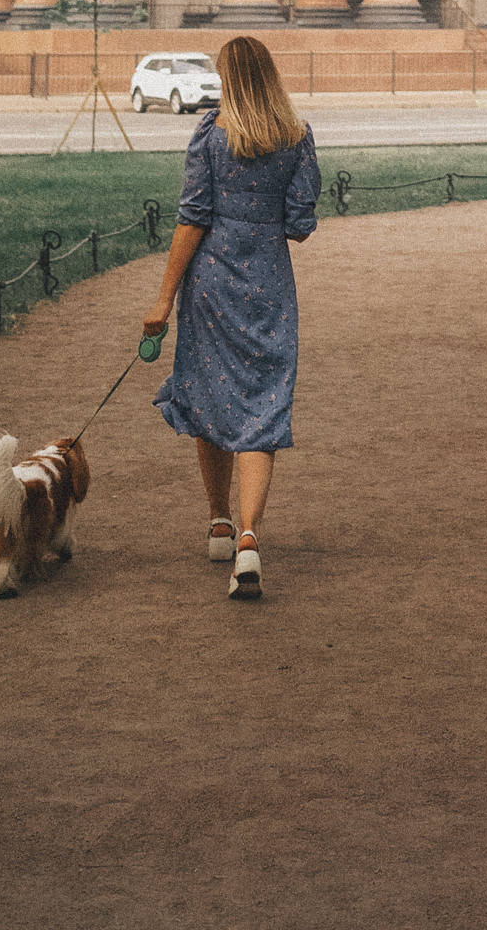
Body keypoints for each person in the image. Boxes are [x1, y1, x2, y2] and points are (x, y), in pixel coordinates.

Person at [142, 36, 320, 599]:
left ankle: (218, 518)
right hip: (268, 286)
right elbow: (300, 223)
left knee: (207, 392)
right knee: (261, 407)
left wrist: (163, 300)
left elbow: (191, 219)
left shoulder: (210, 136)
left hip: (212, 284)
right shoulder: (296, 137)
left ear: (228, 79)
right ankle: (247, 540)